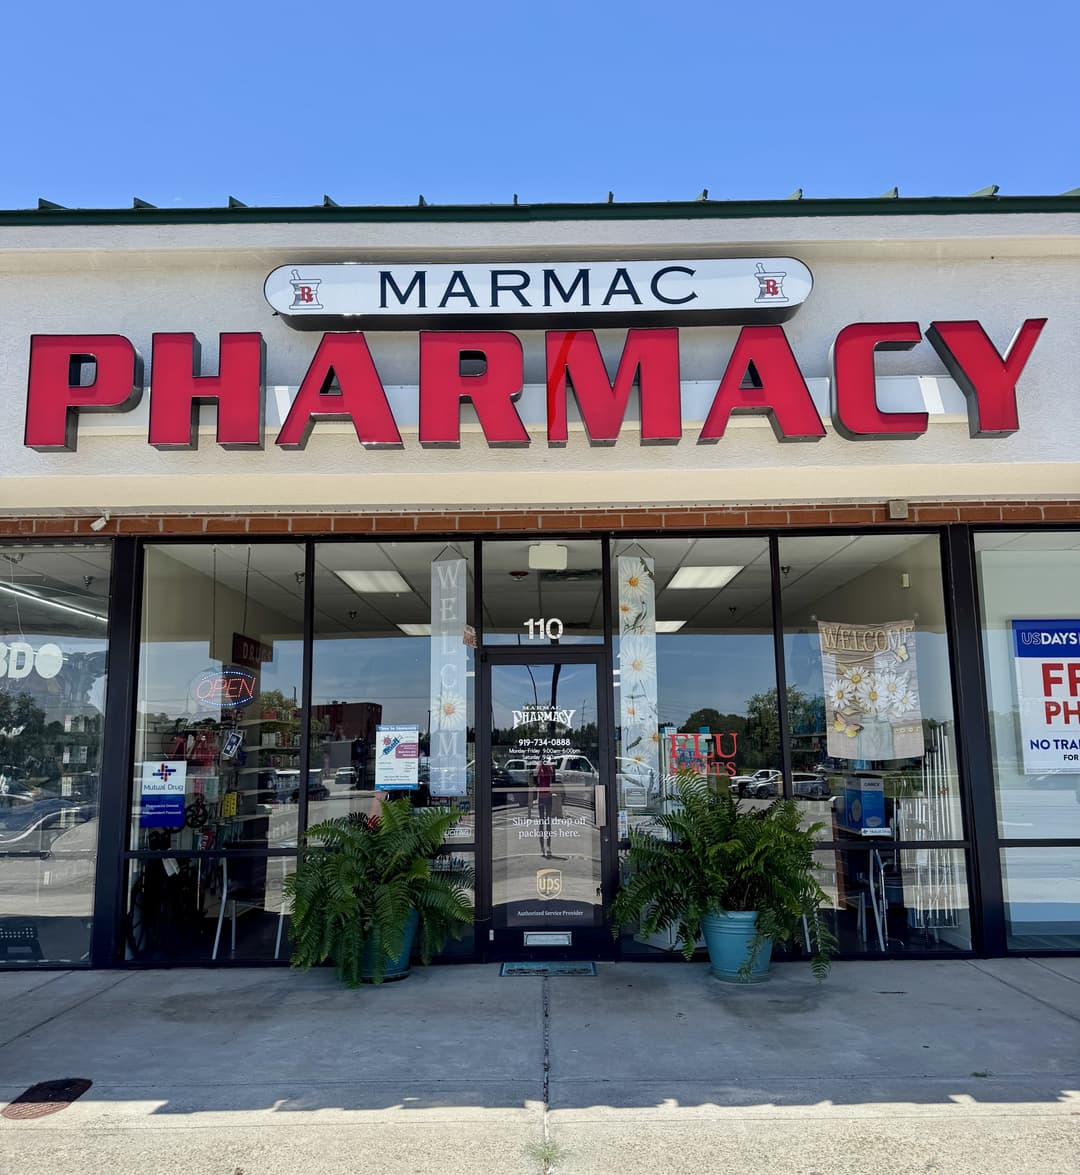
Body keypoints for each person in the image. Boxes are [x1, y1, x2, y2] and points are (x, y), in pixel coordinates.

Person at [534, 756, 555, 857]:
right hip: (541, 797)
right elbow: (536, 776)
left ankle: (549, 846)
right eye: (543, 760)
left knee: (548, 822)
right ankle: (542, 846)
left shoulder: (550, 766)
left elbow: (551, 774)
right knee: (542, 822)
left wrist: (547, 765)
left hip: (548, 796)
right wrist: (540, 766)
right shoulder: (538, 766)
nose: (544, 762)